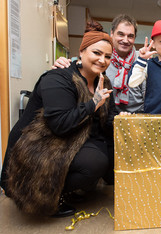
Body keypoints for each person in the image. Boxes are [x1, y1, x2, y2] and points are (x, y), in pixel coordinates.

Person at [0, 21, 118, 217]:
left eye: (107, 56)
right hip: (44, 145)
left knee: (116, 155)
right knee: (95, 163)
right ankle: (46, 194)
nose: (102, 60)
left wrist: (124, 122)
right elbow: (60, 124)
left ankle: (77, 185)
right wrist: (92, 103)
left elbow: (108, 119)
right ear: (81, 52)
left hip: (76, 137)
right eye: (96, 53)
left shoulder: (103, 81)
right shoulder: (58, 78)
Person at [53, 14, 144, 113]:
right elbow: (79, 64)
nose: (125, 40)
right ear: (112, 33)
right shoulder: (99, 61)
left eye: (130, 36)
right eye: (121, 34)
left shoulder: (143, 60)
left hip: (137, 118)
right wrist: (63, 64)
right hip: (104, 116)